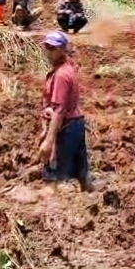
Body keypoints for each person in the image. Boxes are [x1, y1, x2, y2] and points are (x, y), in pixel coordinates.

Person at [38, 31, 94, 192]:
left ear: (62, 50)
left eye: (53, 48)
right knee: (82, 174)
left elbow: (60, 109)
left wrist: (49, 141)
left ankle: (53, 209)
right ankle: (90, 201)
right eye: (47, 47)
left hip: (66, 127)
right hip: (77, 124)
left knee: (53, 176)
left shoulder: (61, 75)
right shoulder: (67, 68)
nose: (48, 52)